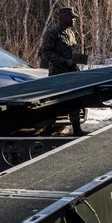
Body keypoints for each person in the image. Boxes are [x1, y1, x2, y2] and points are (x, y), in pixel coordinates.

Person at [40, 7, 85, 135]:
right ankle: (48, 130)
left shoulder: (70, 33)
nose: (74, 20)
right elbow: (46, 53)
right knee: (55, 102)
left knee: (74, 100)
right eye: (72, 17)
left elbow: (71, 51)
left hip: (70, 73)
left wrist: (76, 59)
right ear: (64, 18)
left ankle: (76, 128)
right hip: (57, 74)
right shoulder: (53, 33)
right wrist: (64, 61)